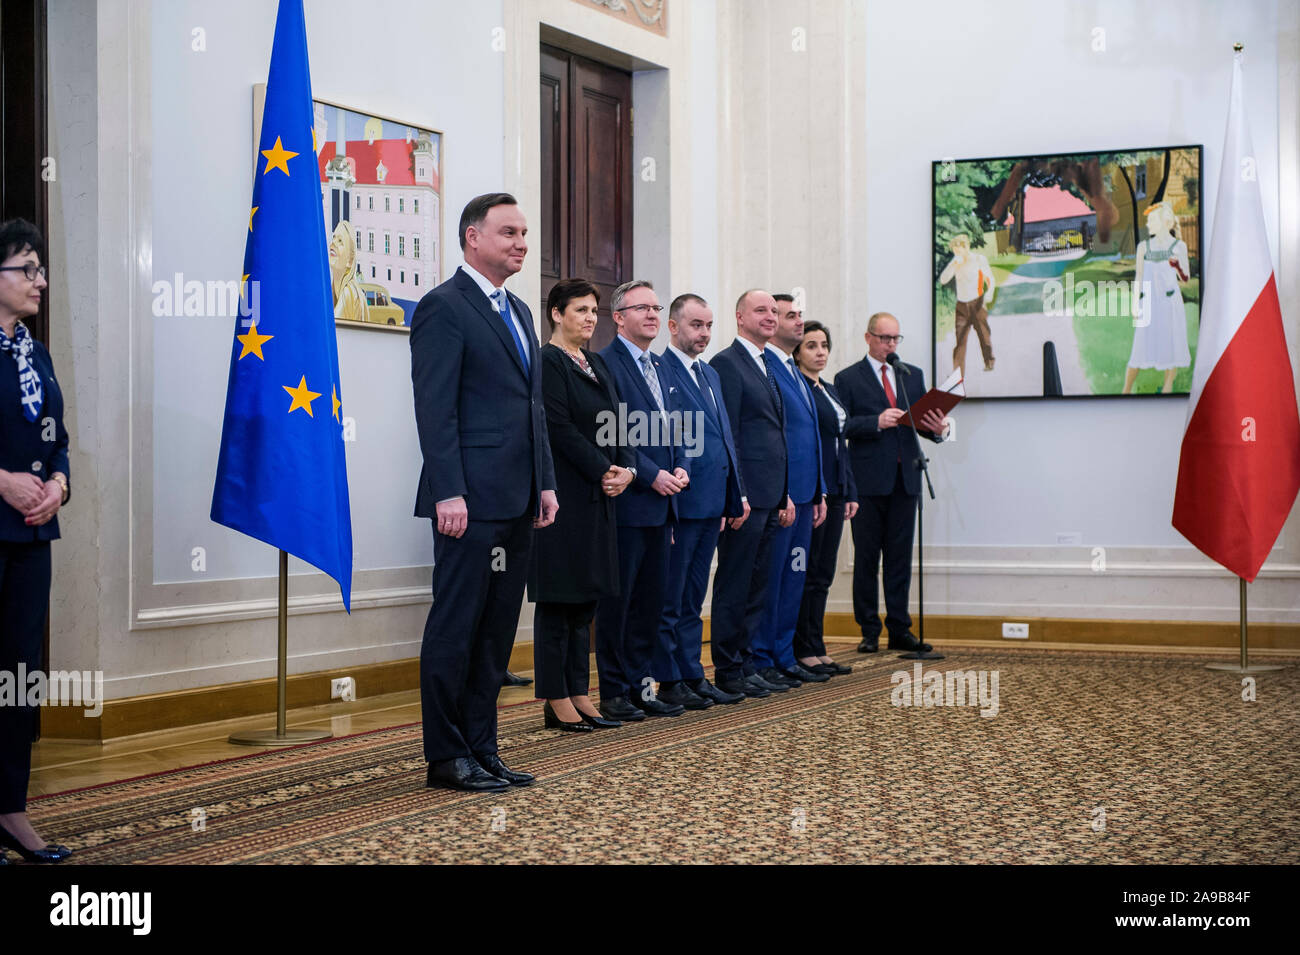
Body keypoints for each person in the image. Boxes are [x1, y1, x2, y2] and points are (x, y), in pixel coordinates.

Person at [411, 193, 558, 792]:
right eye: (508, 232)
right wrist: (449, 491)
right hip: (467, 502)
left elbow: (533, 408)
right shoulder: (443, 307)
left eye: (524, 232)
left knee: (497, 630)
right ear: (473, 238)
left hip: (518, 498)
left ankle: (482, 746)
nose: (521, 242)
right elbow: (434, 409)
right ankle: (446, 756)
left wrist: (544, 481)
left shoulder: (521, 312)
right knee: (458, 626)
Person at [528, 278, 633, 732]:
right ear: (556, 313)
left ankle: (578, 691)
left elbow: (620, 418)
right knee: (559, 599)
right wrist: (602, 469)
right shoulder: (548, 361)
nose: (591, 318)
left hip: (600, 494)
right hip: (564, 494)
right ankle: (555, 698)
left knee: (585, 599)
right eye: (580, 310)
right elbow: (557, 425)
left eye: (594, 311)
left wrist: (627, 468)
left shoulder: (594, 361)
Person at [0, 219, 72, 863]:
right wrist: (2, 481)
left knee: (18, 674)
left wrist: (57, 485)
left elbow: (60, 442)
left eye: (40, 269)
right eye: (27, 268)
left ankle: (11, 812)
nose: (39, 280)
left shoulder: (38, 355)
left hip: (31, 537)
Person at [594, 280, 691, 722]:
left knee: (652, 602)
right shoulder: (605, 364)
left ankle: (641, 686)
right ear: (618, 318)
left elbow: (678, 426)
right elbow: (612, 431)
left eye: (656, 308)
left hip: (664, 505)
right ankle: (614, 690)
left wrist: (683, 465)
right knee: (621, 602)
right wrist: (651, 476)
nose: (652, 315)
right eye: (642, 308)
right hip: (629, 503)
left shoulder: (663, 366)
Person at [653, 294, 747, 709]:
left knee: (694, 598)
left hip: (712, 503)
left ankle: (692, 671)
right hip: (680, 501)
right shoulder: (659, 370)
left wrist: (736, 495)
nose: (704, 333)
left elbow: (726, 439)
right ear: (673, 326)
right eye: (696, 325)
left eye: (709, 325)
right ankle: (669, 678)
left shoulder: (710, 374)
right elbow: (664, 436)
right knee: (670, 599)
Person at [834, 312, 947, 654]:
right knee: (867, 559)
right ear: (868, 338)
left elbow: (921, 423)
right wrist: (876, 422)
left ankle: (900, 628)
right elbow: (841, 427)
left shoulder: (911, 375)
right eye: (885, 339)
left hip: (905, 479)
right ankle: (869, 630)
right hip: (867, 481)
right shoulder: (847, 378)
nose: (891, 345)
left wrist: (938, 431)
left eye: (896, 339)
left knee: (899, 559)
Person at [708, 290, 791, 698]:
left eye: (774, 311)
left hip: (771, 494)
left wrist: (784, 494)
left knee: (758, 585)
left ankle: (747, 662)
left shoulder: (766, 363)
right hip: (746, 497)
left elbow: (776, 434)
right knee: (735, 584)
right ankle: (727, 668)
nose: (771, 317)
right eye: (762, 310)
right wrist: (735, 494)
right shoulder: (727, 363)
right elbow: (731, 436)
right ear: (739, 317)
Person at [754, 294, 827, 688]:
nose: (799, 322)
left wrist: (820, 491)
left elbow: (811, 437)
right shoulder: (768, 368)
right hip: (781, 494)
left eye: (800, 315)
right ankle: (764, 656)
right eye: (790, 316)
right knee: (775, 579)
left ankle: (784, 654)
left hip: (805, 493)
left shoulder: (793, 369)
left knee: (795, 578)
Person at [793, 320, 857, 674]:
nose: (820, 352)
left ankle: (816, 644)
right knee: (806, 572)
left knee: (823, 573)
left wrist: (849, 491)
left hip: (835, 490)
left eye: (823, 345)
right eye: (811, 345)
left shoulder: (830, 390)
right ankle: (802, 648)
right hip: (812, 492)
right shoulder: (798, 388)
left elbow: (841, 446)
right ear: (798, 352)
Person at [1123, 201, 1191, 395]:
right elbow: (1139, 276)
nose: (1148, 225)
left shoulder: (1179, 247)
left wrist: (1177, 267)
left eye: (1152, 220)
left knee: (1171, 344)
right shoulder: (1143, 247)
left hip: (1170, 304)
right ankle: (1125, 390)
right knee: (1140, 347)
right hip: (1149, 304)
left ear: (1165, 222)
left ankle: (1167, 388)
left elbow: (1185, 279)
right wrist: (1135, 304)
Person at [937, 234, 995, 380]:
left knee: (984, 336)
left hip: (977, 303)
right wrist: (954, 264)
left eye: (958, 250)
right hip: (961, 305)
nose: (956, 253)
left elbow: (990, 278)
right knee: (960, 341)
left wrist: (988, 296)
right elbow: (943, 280)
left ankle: (989, 361)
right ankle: (958, 374)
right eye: (954, 250)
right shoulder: (955, 262)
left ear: (966, 247)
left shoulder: (978, 259)